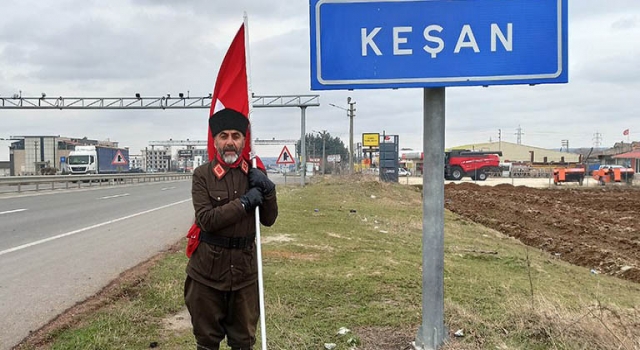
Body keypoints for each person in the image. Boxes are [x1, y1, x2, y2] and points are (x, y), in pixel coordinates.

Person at [185, 108, 278, 350]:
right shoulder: (202, 175)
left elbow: (269, 220)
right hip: (207, 275)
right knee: (206, 341)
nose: (229, 142)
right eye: (223, 136)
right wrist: (245, 203)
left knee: (243, 341)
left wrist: (268, 190)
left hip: (244, 274)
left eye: (236, 136)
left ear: (244, 141)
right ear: (215, 140)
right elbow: (206, 219)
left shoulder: (254, 175)